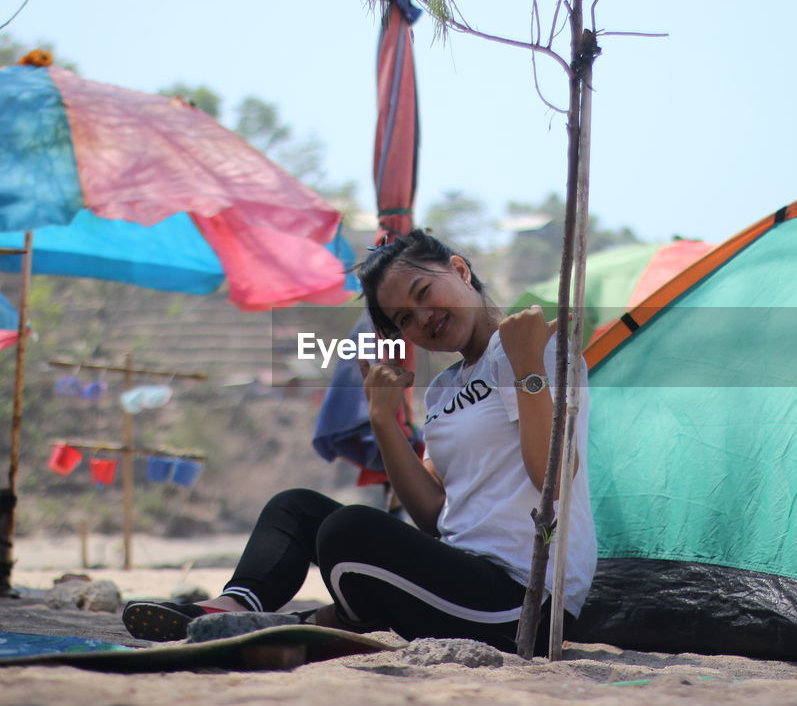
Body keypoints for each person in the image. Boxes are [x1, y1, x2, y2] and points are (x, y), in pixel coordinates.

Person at [123, 230, 596, 654]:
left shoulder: (541, 348)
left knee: (349, 530)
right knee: (297, 508)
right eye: (404, 319)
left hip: (521, 601)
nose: (425, 318)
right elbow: (433, 516)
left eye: (424, 292)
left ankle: (330, 620)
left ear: (459, 269)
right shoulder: (445, 389)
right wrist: (383, 420)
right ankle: (228, 609)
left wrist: (528, 367)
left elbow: (554, 485)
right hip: (458, 576)